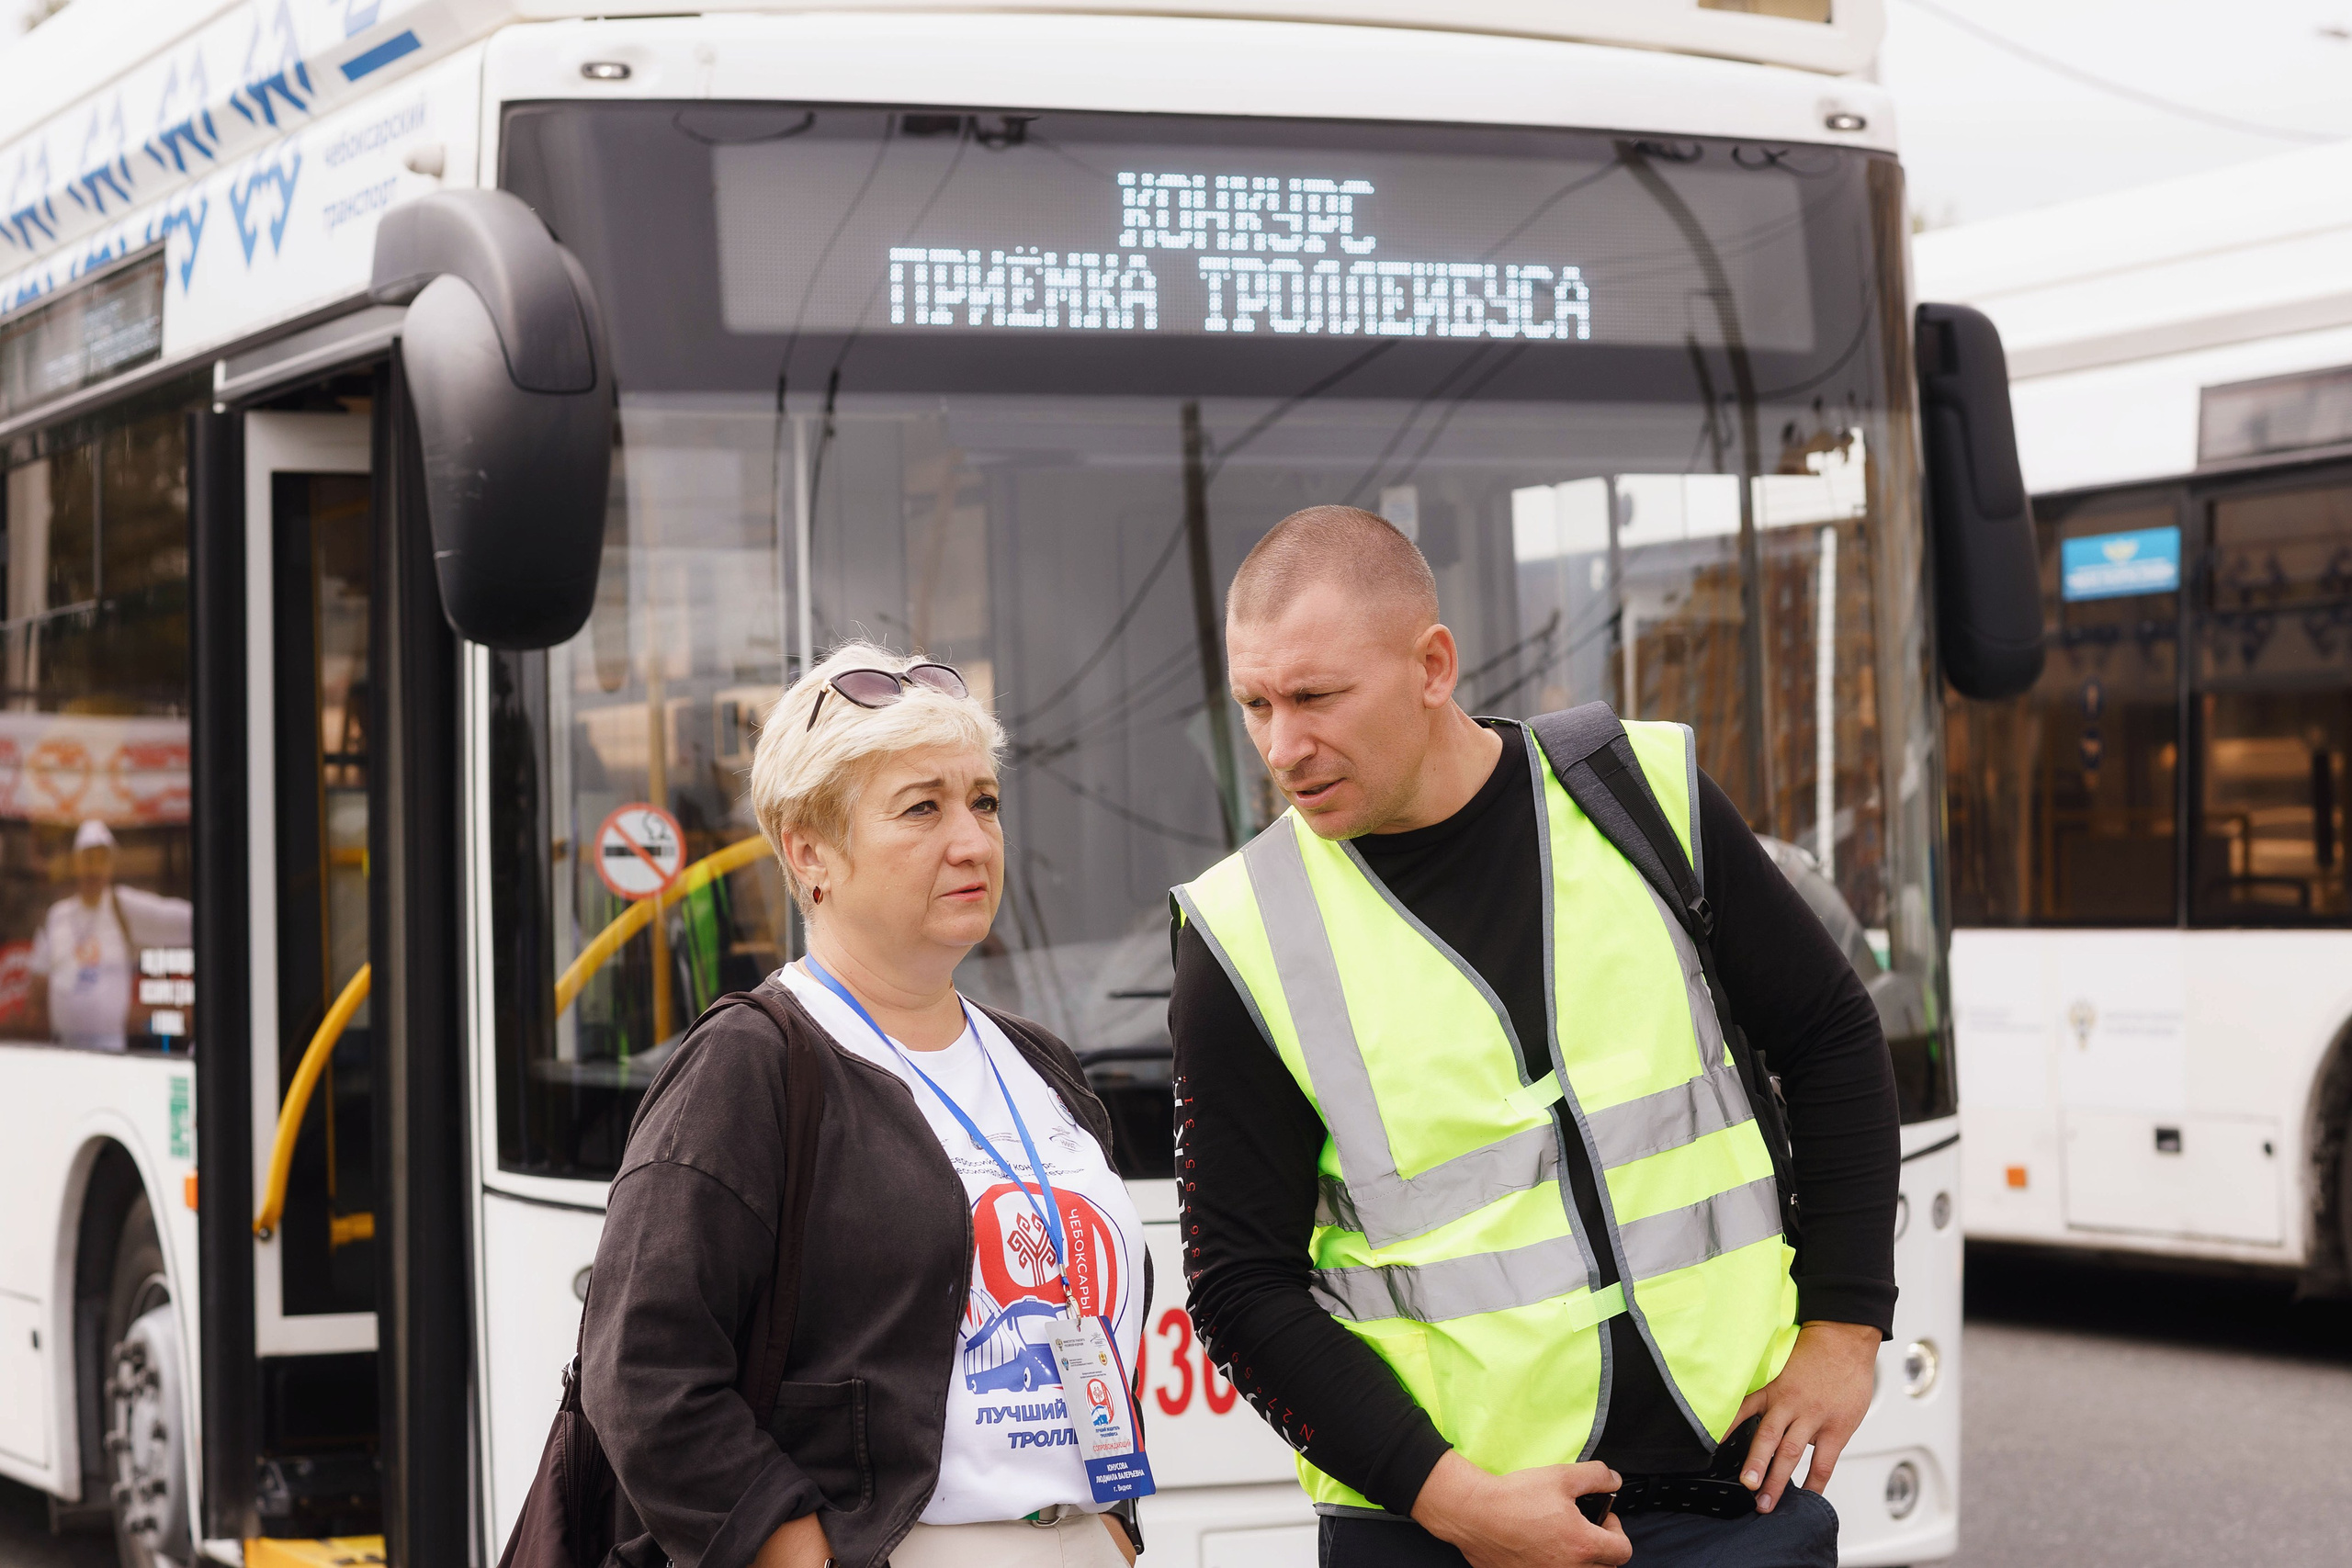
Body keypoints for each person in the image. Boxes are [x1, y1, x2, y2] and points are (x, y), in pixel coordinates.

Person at [1171, 507, 1900, 1568]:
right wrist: (1452, 1500)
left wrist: (1846, 1327)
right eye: (1255, 705)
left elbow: (1832, 1037)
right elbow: (1239, 1286)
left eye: (1316, 697)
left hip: (1729, 1503)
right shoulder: (1241, 931)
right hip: (1442, 1538)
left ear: (1431, 665)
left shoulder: (1641, 797)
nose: (1284, 746)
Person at [582, 641, 1148, 1568]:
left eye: (984, 802)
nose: (971, 839)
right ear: (811, 853)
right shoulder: (753, 1065)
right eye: (922, 808)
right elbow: (640, 1372)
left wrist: (1109, 1530)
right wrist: (796, 1553)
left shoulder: (1040, 1064)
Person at [27, 818, 195, 1050]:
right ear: (76, 863)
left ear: (111, 865)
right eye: (88, 859)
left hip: (110, 1050)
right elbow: (39, 980)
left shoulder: (123, 907)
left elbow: (179, 920)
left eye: (101, 859)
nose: (94, 869)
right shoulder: (58, 916)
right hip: (63, 1050)